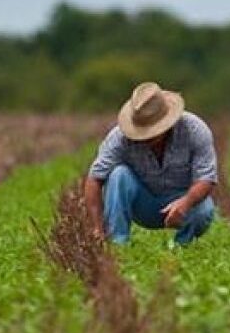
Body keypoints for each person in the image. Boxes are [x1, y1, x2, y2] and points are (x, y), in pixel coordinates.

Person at [84, 81, 217, 245]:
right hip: (143, 203)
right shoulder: (119, 137)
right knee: (119, 175)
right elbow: (94, 179)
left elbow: (206, 179)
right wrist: (96, 228)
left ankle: (181, 247)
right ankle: (117, 243)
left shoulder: (195, 130)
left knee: (204, 210)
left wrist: (185, 203)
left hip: (182, 201)